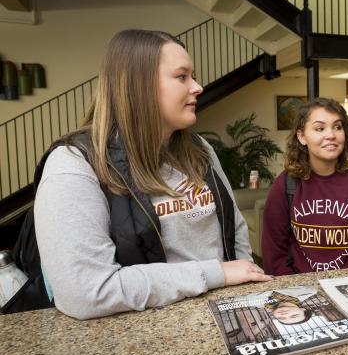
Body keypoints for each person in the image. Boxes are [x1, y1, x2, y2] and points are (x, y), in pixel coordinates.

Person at [34, 29, 271, 320]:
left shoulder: (200, 148)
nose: (197, 87)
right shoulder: (73, 164)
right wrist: (215, 274)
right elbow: (84, 293)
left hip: (225, 317)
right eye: (182, 76)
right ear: (138, 86)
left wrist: (243, 278)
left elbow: (233, 226)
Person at [262, 97, 348, 275]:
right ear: (302, 136)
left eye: (337, 127)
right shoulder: (286, 184)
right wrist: (292, 292)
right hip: (302, 291)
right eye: (319, 128)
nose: (331, 135)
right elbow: (273, 251)